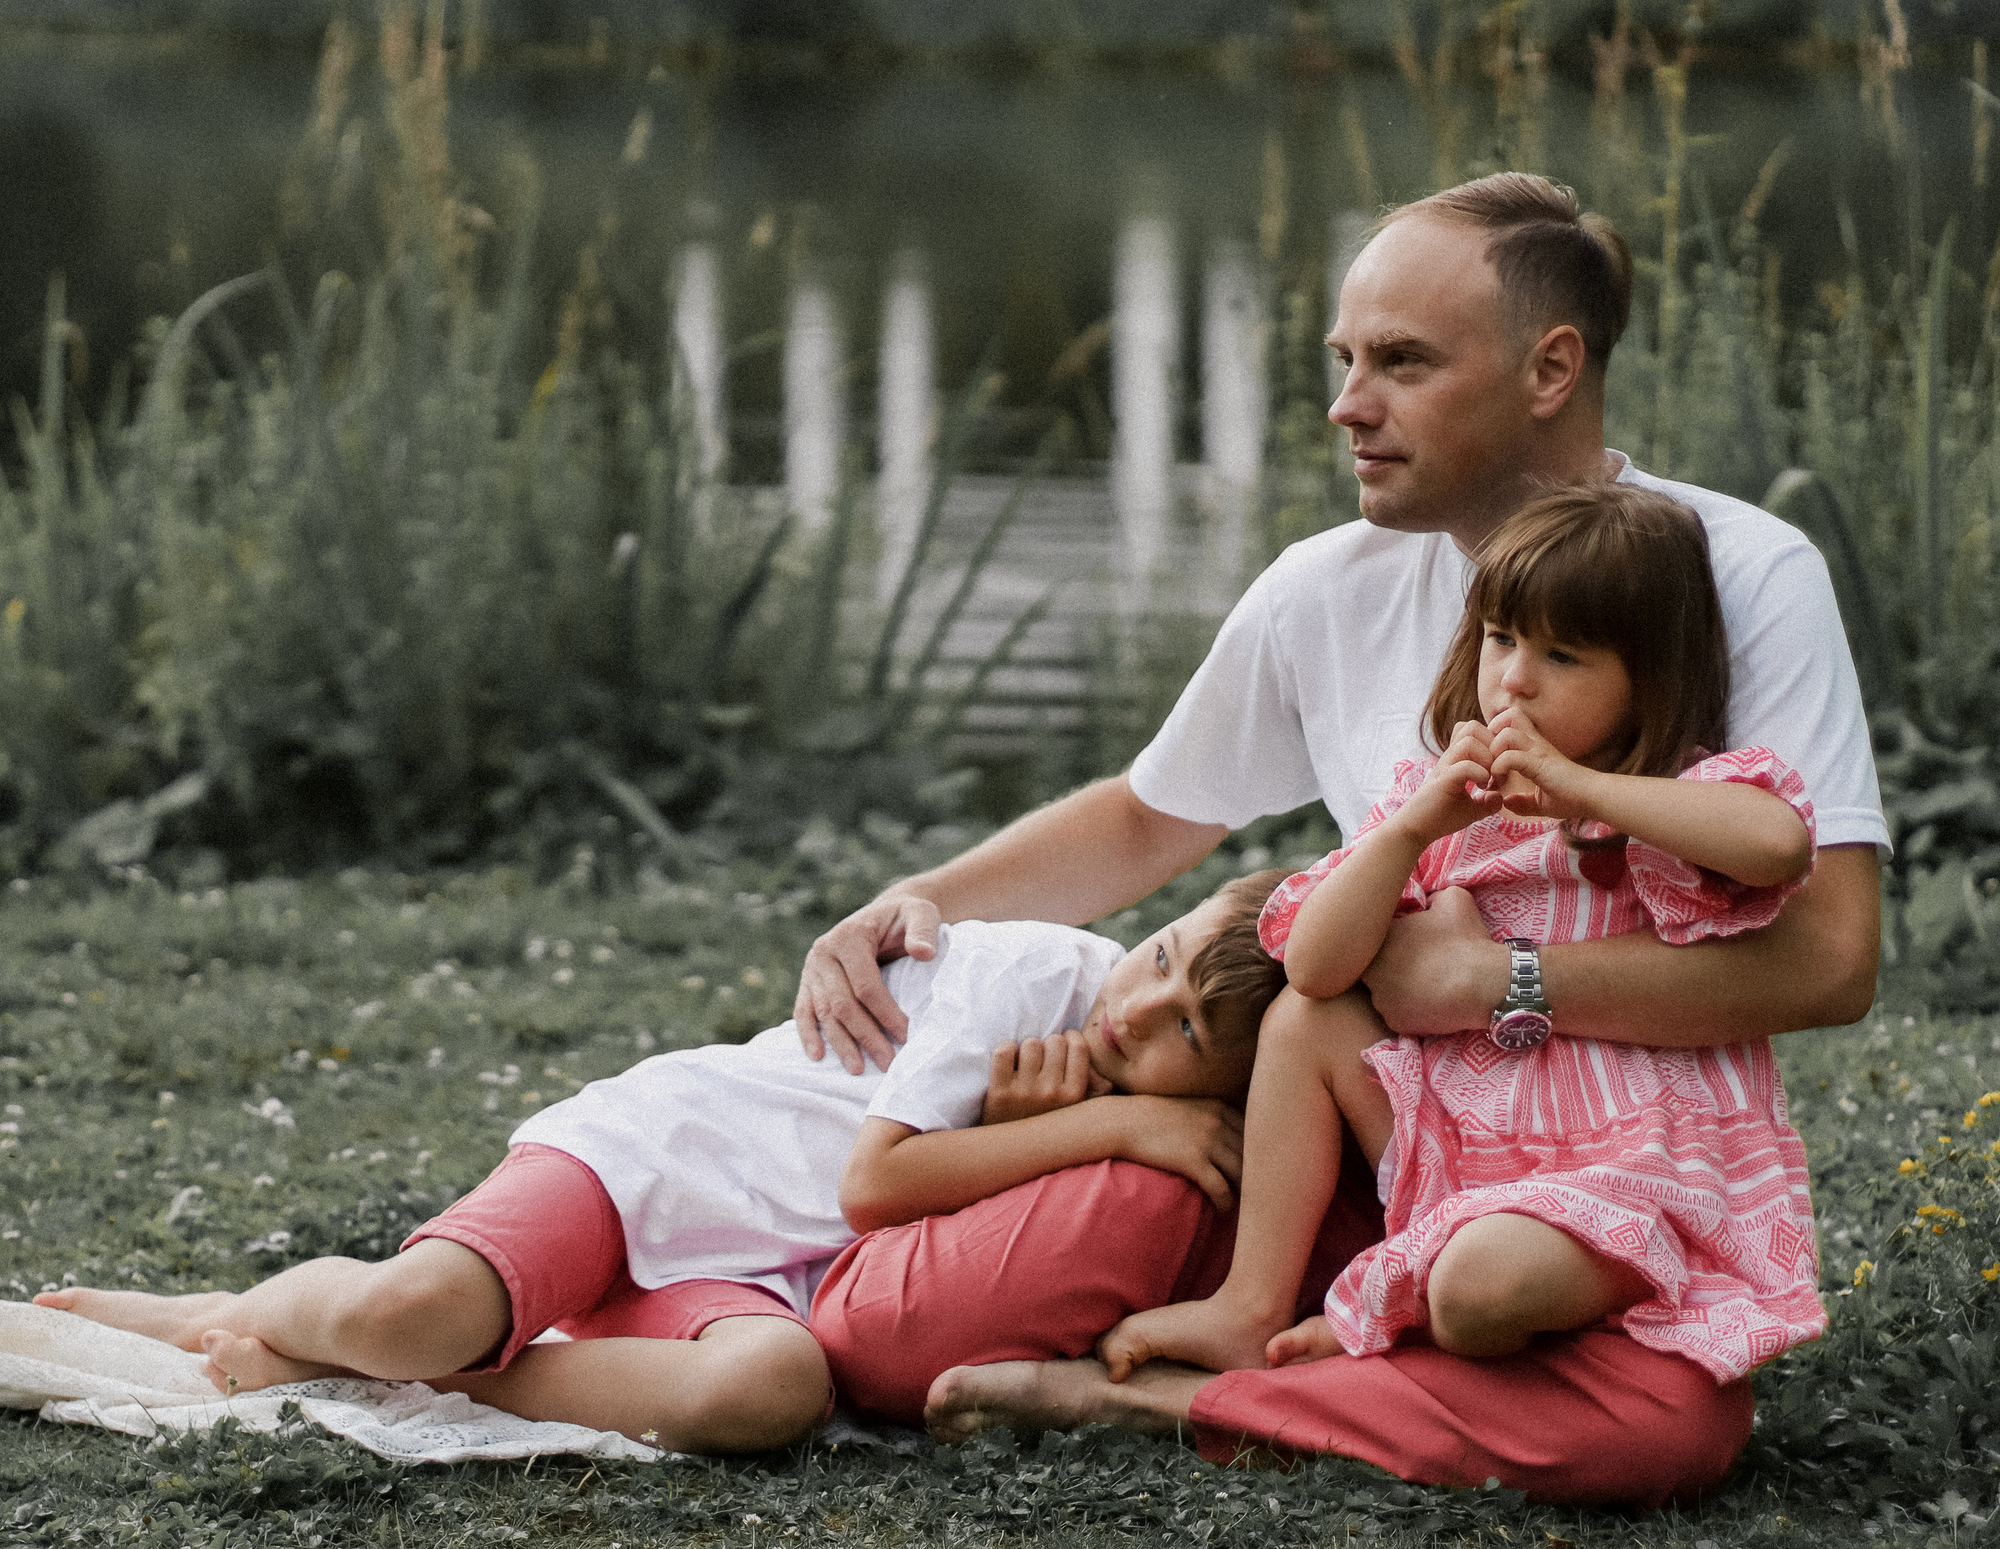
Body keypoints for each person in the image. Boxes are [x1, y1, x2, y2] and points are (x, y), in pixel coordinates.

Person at [800, 172, 1887, 1505]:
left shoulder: (1732, 572)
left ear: (1551, 369)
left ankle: (1184, 1398)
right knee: (890, 1341)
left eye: (1403, 363)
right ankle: (1304, 1339)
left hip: (1601, 1175)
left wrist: (1497, 982)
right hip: (1367, 1147)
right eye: (1345, 361)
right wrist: (917, 896)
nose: (1347, 407)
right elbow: (1148, 814)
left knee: (1661, 1430)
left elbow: (1826, 958)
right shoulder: (1325, 587)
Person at [32, 871, 1289, 1457]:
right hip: (661, 1162)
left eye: (1186, 1034)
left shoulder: (1124, 1102)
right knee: (407, 1312)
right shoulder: (1041, 973)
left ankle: (359, 1381)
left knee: (771, 1392)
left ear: (1234, 1085)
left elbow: (905, 1240)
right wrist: (1118, 1126)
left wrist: (1064, 1134)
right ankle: (224, 1312)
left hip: (769, 1281)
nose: (1138, 1009)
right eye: (1162, 956)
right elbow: (876, 1183)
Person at [1099, 483, 1827, 1397]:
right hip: (1467, 1151)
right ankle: (1249, 1305)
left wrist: (1581, 789)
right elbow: (1313, 965)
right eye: (1502, 638)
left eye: (1562, 655)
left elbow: (1778, 843)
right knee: (1306, 1018)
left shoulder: (1674, 804)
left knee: (1477, 1288)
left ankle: (1494, 1302)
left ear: (1647, 680)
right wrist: (1409, 830)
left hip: (1627, 1168)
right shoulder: (1446, 803)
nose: (1515, 678)